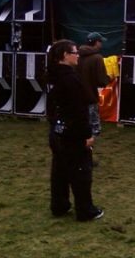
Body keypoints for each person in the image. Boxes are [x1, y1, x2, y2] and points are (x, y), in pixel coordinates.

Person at [46, 39, 104, 221]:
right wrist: (87, 135)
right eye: (74, 52)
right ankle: (85, 210)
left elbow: (51, 107)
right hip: (72, 134)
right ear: (65, 55)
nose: (77, 55)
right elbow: (79, 111)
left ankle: (59, 205)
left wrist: (54, 125)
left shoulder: (51, 75)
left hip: (57, 131)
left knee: (59, 171)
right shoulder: (70, 79)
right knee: (81, 172)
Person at [77, 32, 110, 137]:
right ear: (96, 43)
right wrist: (109, 78)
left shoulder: (76, 55)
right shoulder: (97, 58)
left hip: (76, 94)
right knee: (93, 123)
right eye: (100, 41)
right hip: (90, 95)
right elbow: (101, 80)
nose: (101, 44)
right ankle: (93, 136)